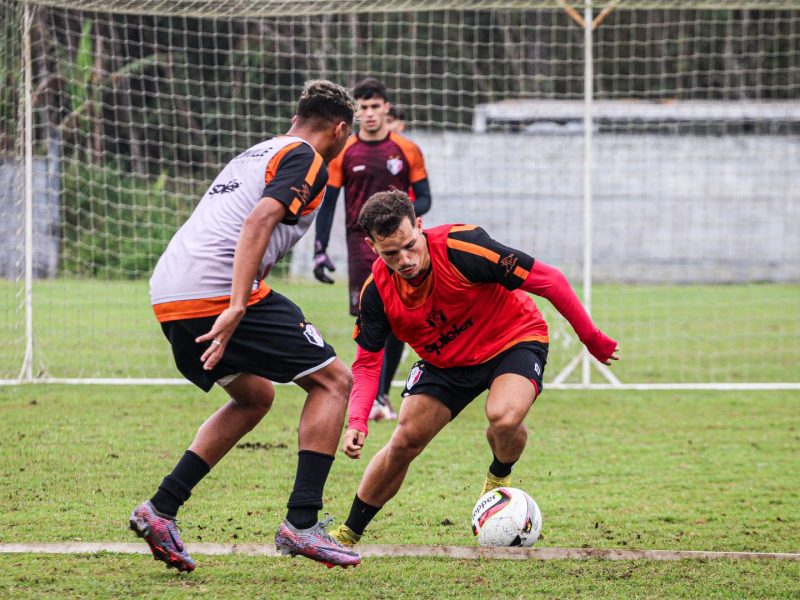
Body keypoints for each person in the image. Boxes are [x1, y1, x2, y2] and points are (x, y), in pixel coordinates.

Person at [130, 80, 361, 571]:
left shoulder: (255, 154)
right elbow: (258, 222)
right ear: (340, 130)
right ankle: (302, 523)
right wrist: (237, 305)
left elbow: (245, 227)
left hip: (169, 292)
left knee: (255, 396)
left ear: (296, 117)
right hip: (216, 291)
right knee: (335, 381)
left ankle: (160, 509)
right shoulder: (307, 157)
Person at [328, 190, 619, 546]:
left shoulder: (462, 247)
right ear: (372, 246)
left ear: (419, 226)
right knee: (405, 440)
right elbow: (367, 362)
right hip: (444, 363)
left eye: (410, 246)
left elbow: (550, 280)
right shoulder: (376, 291)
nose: (404, 260)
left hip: (512, 339)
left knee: (503, 417)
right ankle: (347, 535)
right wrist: (357, 420)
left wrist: (591, 338)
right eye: (391, 253)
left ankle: (498, 476)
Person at [313, 78, 432, 423]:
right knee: (370, 319)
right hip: (362, 246)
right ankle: (371, 393)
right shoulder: (345, 151)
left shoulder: (407, 150)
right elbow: (329, 202)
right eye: (363, 107)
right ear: (356, 112)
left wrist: (398, 218)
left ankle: (380, 394)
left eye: (375, 106)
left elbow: (426, 197)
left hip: (400, 248)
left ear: (386, 108)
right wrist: (320, 248)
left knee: (398, 318)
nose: (369, 113)